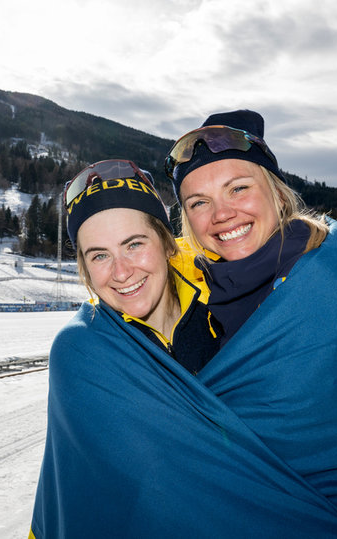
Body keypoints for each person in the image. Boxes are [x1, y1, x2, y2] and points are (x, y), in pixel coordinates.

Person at [165, 109, 337, 537]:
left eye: (238, 189)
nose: (220, 214)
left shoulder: (326, 278)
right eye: (199, 203)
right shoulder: (205, 297)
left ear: (278, 195)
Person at [29, 159, 225, 538]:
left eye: (134, 245)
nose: (121, 272)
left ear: (167, 243)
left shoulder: (230, 306)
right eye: (99, 255)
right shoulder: (83, 352)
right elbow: (68, 490)